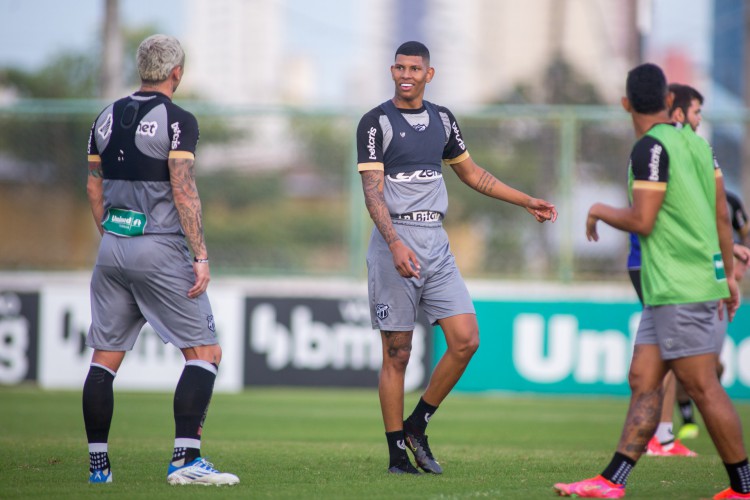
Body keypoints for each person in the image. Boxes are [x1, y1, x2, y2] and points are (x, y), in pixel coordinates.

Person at [356, 41, 557, 475]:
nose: (406, 74)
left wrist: (525, 200)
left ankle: (417, 423)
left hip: (435, 240)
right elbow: (372, 193)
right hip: (396, 240)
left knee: (466, 339)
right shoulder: (375, 123)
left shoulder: (443, 120)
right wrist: (393, 242)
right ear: (392, 71)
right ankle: (396, 455)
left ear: (430, 74)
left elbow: (474, 175)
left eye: (415, 68)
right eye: (400, 67)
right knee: (397, 352)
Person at [553, 63, 749, 499]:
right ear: (667, 102)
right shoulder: (700, 146)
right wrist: (729, 277)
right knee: (643, 378)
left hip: (682, 288)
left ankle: (744, 487)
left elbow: (643, 219)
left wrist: (599, 209)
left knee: (701, 385)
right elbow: (721, 214)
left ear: (626, 104)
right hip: (675, 288)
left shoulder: (648, 149)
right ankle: (612, 481)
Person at [83, 34, 239, 486]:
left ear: (141, 69)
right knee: (205, 353)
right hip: (160, 247)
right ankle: (186, 462)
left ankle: (98, 470)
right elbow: (183, 188)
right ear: (177, 73)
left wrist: (114, 238)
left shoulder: (104, 116)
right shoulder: (178, 120)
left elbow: (94, 187)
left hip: (111, 247)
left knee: (103, 360)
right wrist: (201, 255)